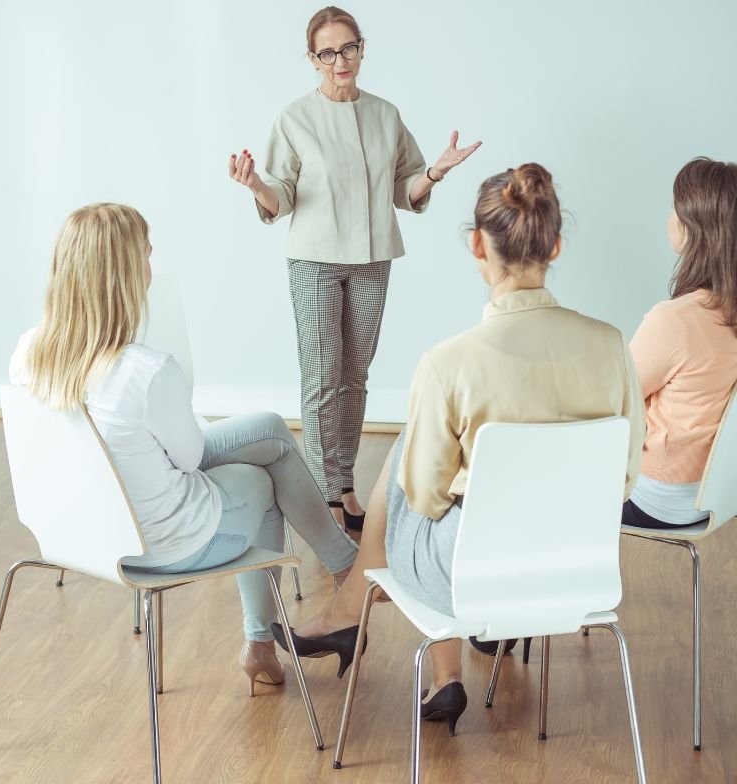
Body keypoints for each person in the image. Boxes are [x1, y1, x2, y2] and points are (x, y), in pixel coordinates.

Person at [270, 164, 645, 734]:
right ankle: (412, 648)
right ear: (556, 246)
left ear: (477, 245)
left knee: (410, 460)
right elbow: (624, 477)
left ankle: (375, 627)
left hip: (470, 575)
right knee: (425, 461)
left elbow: (424, 499)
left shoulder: (449, 364)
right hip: (575, 571)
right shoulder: (611, 346)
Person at [9, 203, 358, 695]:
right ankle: (328, 585)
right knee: (266, 467)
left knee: (265, 436)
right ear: (126, 273)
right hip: (168, 546)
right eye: (147, 254)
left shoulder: (28, 353)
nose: (152, 266)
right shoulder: (145, 371)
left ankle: (296, 613)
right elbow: (190, 459)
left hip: (79, 538)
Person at [228, 6, 481, 531]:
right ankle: (325, 496)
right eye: (327, 53)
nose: (339, 60)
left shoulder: (386, 115)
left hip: (372, 259)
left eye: (348, 48)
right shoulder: (294, 118)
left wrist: (435, 171)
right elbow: (281, 197)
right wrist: (255, 185)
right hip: (314, 261)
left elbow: (405, 189)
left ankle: (343, 483)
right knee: (323, 377)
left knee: (355, 377)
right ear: (312, 59)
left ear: (362, 49)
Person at [623, 157, 737, 530]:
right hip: (714, 497)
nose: (668, 219)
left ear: (695, 226)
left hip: (657, 500)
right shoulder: (726, 311)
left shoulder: (677, 320)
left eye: (675, 209)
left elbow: (615, 399)